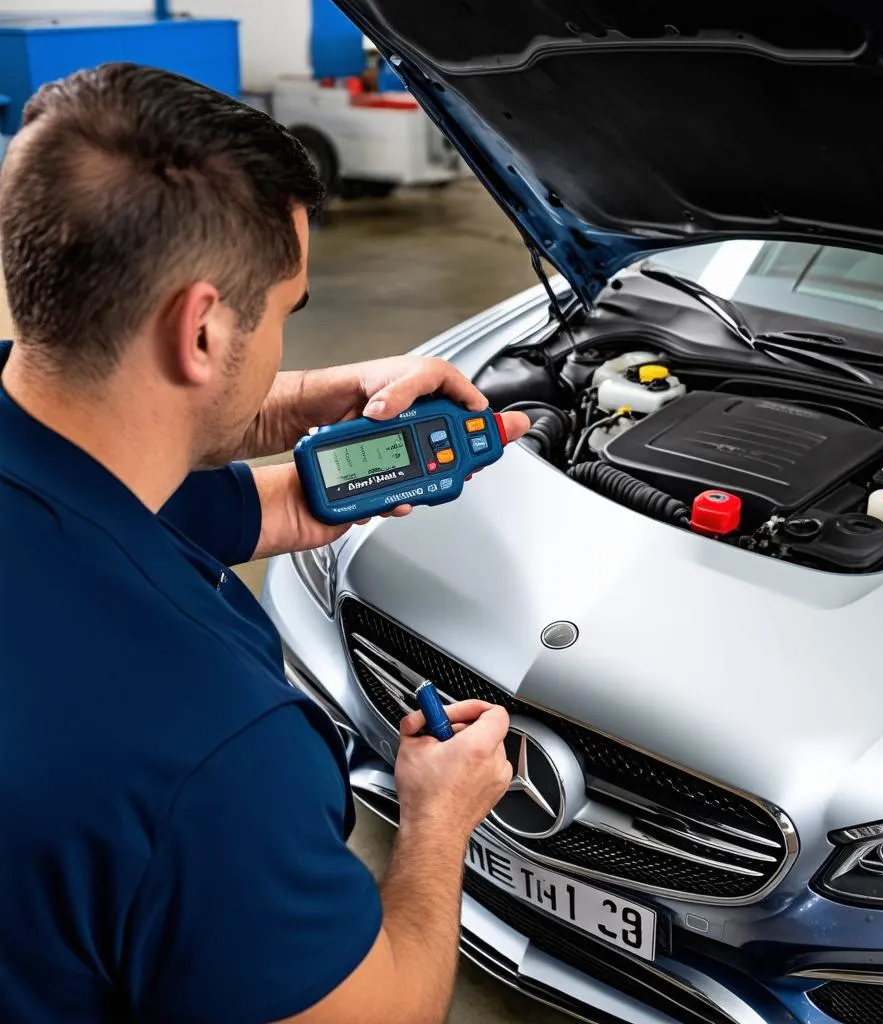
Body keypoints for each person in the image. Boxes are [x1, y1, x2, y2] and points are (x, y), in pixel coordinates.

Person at [0, 63, 530, 1023]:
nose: (288, 345)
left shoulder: (42, 435)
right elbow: (387, 1010)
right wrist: (437, 822)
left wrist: (278, 408)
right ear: (200, 330)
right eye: (288, 315)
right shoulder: (210, 753)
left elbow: (241, 506)